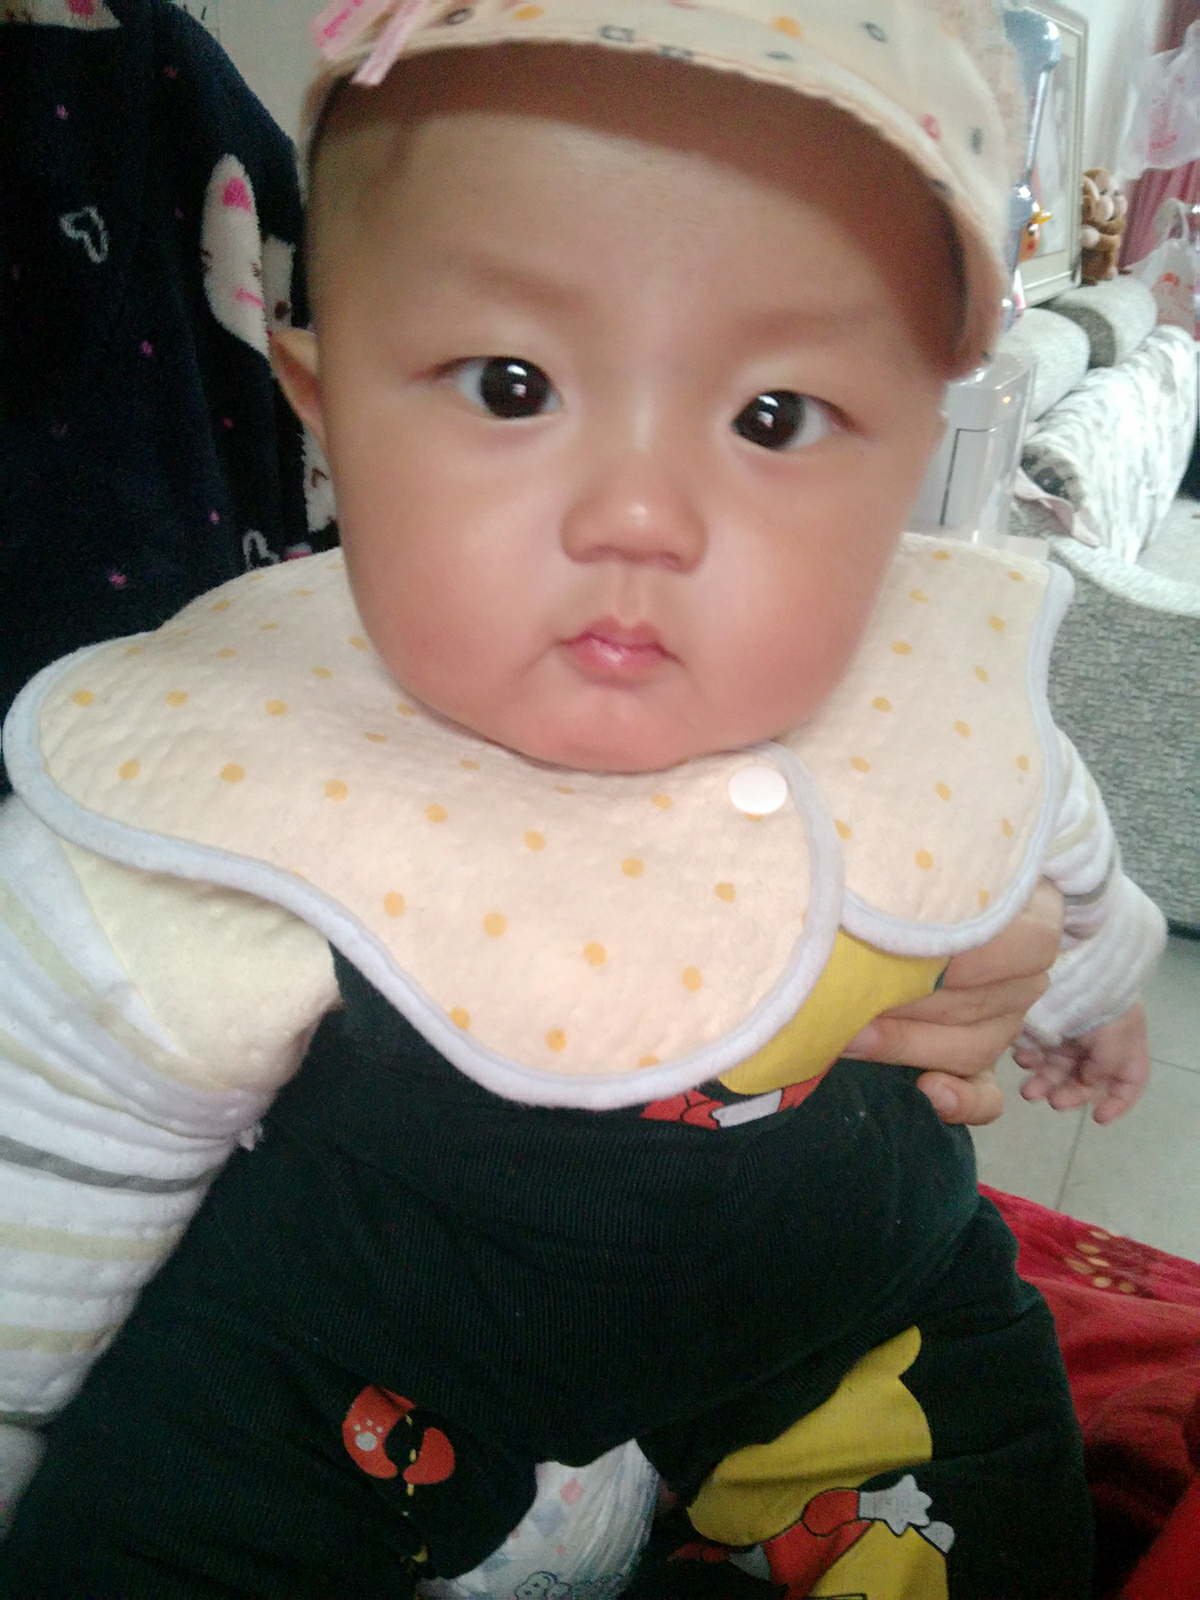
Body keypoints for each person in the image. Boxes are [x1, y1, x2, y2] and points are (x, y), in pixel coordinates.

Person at [0, 1, 1166, 1595]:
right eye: (510, 384)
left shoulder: (919, 679)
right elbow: (49, 1141)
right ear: (322, 403)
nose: (637, 513)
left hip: (839, 1295)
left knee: (998, 1505)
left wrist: (1093, 986)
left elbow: (1041, 822)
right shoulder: (230, 779)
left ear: (912, 460)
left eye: (773, 418)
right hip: (355, 1370)